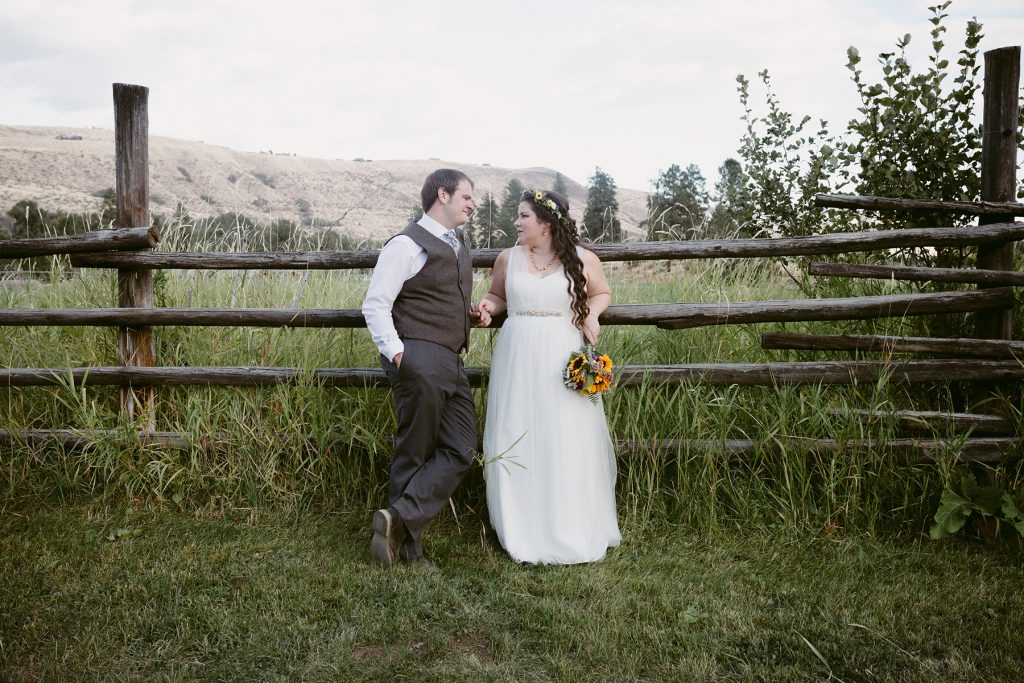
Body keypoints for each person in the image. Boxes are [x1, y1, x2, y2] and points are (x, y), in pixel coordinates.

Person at [475, 189, 621, 564]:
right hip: (517, 353)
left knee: (563, 433)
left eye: (523, 216)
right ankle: (519, 523)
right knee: (517, 429)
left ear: (546, 222)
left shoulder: (583, 258)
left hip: (560, 352)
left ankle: (567, 522)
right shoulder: (508, 258)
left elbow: (602, 292)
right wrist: (488, 307)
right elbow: (498, 296)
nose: (517, 222)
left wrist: (591, 314)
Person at [361, 168, 477, 567]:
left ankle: (396, 520)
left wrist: (469, 312)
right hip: (418, 357)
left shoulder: (457, 243)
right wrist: (399, 355)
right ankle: (409, 551)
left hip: (450, 359)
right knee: (414, 450)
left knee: (462, 447)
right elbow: (376, 304)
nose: (471, 204)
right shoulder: (406, 244)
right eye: (465, 196)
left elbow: (439, 295)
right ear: (442, 195)